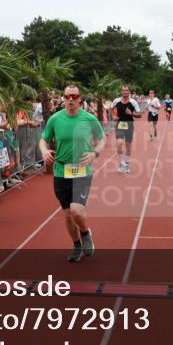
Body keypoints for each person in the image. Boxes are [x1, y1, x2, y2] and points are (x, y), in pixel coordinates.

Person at [40, 85, 105, 263]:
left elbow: (102, 139)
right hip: (61, 170)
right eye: (67, 96)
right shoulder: (55, 119)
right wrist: (44, 150)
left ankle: (85, 233)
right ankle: (76, 245)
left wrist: (94, 153)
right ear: (64, 98)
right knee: (68, 214)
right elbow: (44, 139)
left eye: (74, 96)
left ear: (79, 99)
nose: (70, 99)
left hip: (82, 169)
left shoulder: (89, 118)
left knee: (77, 210)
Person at [111, 85, 140, 173]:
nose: (125, 92)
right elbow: (110, 109)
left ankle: (126, 164)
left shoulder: (133, 102)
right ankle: (122, 163)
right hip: (120, 124)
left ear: (129, 92)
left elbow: (139, 115)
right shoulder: (116, 101)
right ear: (121, 92)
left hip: (129, 124)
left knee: (128, 146)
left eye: (126, 90)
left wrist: (131, 113)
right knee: (119, 143)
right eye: (123, 90)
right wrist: (114, 116)